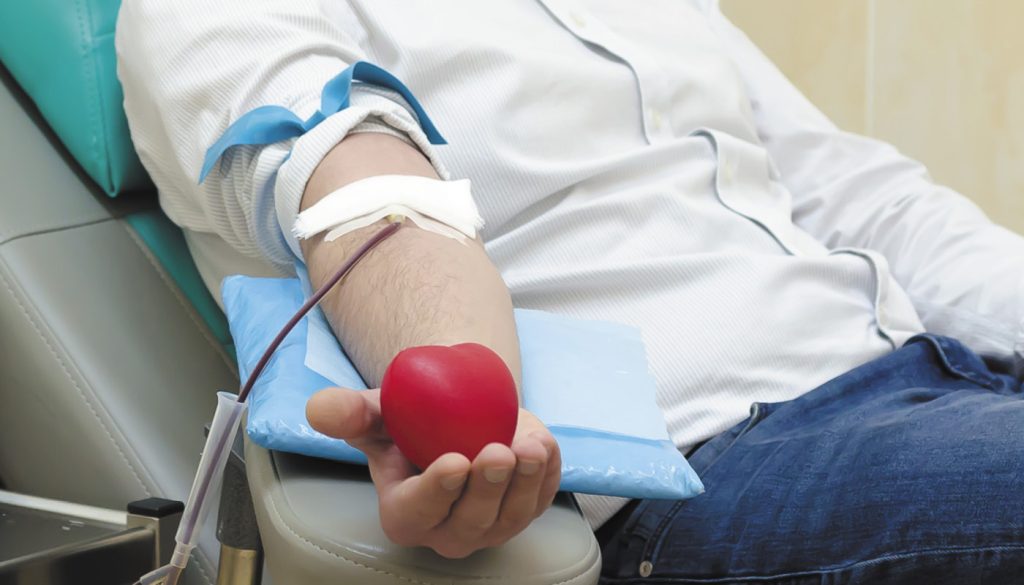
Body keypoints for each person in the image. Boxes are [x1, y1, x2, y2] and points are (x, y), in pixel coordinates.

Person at [116, 0, 1024, 582]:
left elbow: (864, 197)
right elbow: (372, 200)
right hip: (712, 464)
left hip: (934, 382)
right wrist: (468, 400)